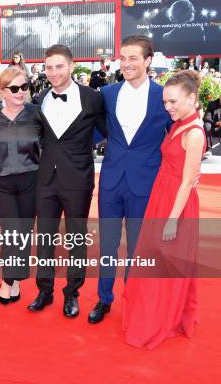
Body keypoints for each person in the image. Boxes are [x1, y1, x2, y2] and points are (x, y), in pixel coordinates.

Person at [89, 35, 173, 324]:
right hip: (111, 180)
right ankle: (104, 299)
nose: (126, 63)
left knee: (139, 248)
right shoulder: (108, 94)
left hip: (146, 183)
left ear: (148, 60)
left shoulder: (163, 95)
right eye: (122, 58)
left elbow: (179, 133)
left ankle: (133, 300)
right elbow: (95, 132)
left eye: (133, 57)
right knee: (108, 245)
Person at [122, 70, 205, 349]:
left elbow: (186, 182)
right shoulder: (178, 124)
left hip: (175, 205)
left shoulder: (194, 133)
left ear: (191, 99)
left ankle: (159, 320)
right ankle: (151, 314)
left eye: (173, 102)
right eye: (166, 102)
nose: (168, 107)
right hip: (162, 196)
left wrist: (172, 220)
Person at [27, 44, 106, 318]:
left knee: (76, 239)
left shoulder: (93, 98)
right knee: (45, 237)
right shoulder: (40, 99)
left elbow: (108, 132)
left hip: (78, 179)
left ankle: (72, 294)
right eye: (49, 67)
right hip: (45, 179)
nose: (53, 72)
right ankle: (44, 291)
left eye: (59, 66)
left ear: (72, 66)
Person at [0, 67, 42, 304]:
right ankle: (8, 280)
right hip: (0, 183)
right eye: (14, 88)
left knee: (24, 234)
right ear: (1, 90)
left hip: (31, 181)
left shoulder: (36, 114)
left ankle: (14, 280)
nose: (20, 92)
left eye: (24, 87)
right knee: (12, 232)